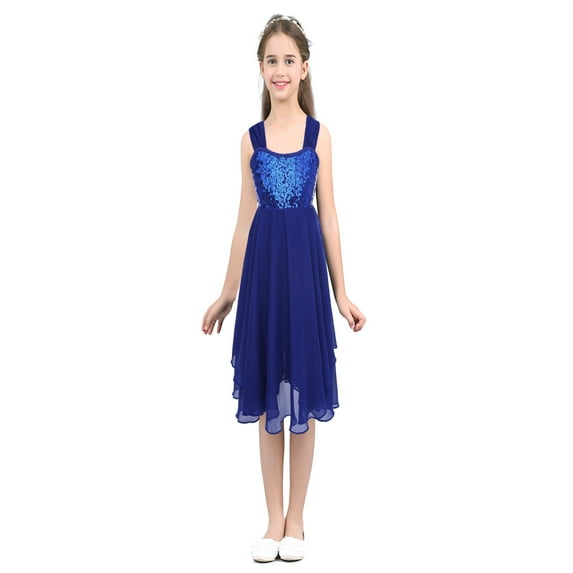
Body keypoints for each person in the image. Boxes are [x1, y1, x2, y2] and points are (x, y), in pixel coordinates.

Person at [201, 14, 366, 562]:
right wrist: (227, 293)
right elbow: (244, 220)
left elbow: (329, 217)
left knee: (304, 394)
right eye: (271, 60)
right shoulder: (250, 142)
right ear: (261, 68)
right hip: (264, 280)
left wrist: (341, 293)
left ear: (304, 68)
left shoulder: (320, 136)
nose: (280, 69)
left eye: (288, 60)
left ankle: (298, 518)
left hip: (305, 278)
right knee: (270, 389)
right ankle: (273, 518)